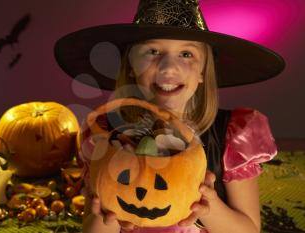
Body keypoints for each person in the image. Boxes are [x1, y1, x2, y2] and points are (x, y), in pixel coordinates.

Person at [54, 0, 285, 232]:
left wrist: (209, 204)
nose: (168, 68)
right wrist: (106, 212)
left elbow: (249, 229)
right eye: (153, 51)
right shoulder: (107, 135)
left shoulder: (231, 135)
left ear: (203, 71)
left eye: (186, 54)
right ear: (131, 66)